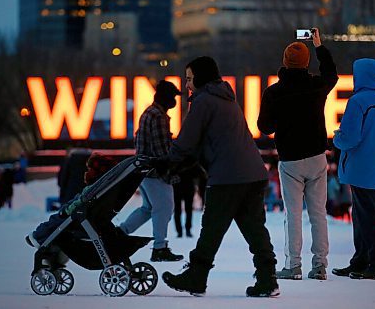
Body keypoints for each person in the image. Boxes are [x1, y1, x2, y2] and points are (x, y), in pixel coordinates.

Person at [162, 56, 279, 297]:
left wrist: (166, 163)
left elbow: (186, 142)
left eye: (189, 79)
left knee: (211, 228)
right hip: (253, 173)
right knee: (255, 230)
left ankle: (196, 276)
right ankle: (268, 279)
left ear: (201, 78)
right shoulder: (227, 99)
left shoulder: (204, 102)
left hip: (228, 176)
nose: (187, 86)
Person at [257, 28, 338, 280]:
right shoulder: (317, 86)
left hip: (290, 160)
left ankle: (293, 265)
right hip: (316, 156)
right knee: (318, 214)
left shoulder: (274, 92)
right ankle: (320, 265)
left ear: (284, 62)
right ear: (306, 62)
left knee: (293, 215)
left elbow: (264, 127)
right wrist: (319, 46)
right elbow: (331, 74)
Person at [331, 58, 375, 280]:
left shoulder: (357, 102)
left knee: (367, 215)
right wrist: (373, 154)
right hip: (373, 167)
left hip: (357, 166)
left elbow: (349, 137)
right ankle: (360, 261)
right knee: (363, 213)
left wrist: (337, 139)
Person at [119, 80, 184, 262]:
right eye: (173, 97)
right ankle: (160, 247)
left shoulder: (149, 112)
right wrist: (173, 170)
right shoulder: (158, 116)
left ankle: (121, 233)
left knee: (148, 208)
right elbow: (161, 150)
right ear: (166, 97)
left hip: (143, 170)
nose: (175, 101)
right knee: (164, 207)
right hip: (155, 172)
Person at [26, 153, 118, 248]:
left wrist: (66, 211)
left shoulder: (94, 187)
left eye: (90, 169)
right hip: (93, 219)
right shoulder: (107, 187)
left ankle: (38, 237)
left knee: (56, 220)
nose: (87, 172)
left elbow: (79, 202)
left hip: (81, 219)